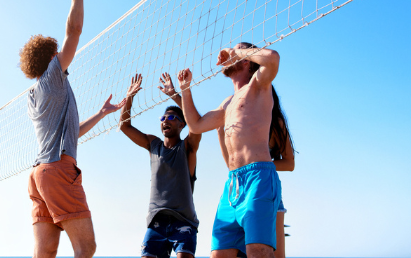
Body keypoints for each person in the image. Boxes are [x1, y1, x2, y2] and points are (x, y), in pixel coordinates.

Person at [20, 0, 125, 258]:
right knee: (85, 248)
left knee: (46, 253)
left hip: (38, 175)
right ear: (52, 56)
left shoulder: (34, 94)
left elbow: (71, 134)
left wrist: (102, 114)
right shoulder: (53, 76)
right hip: (57, 171)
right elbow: (74, 31)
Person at [177, 42, 282, 258]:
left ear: (245, 61)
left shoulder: (259, 85)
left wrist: (236, 52)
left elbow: (272, 58)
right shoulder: (228, 103)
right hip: (233, 184)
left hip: (258, 177)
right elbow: (196, 125)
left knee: (258, 252)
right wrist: (185, 89)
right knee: (218, 254)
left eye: (236, 51)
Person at [119, 73, 201, 258]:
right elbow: (124, 126)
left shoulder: (188, 147)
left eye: (171, 118)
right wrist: (129, 97)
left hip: (184, 221)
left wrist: (174, 94)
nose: (165, 121)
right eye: (163, 118)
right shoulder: (153, 144)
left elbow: (196, 123)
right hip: (157, 221)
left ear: (182, 125)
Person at [268, 90, 295, 258]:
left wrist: (261, 165)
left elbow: (289, 163)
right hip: (239, 187)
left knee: (276, 254)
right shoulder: (239, 116)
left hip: (267, 187)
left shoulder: (275, 122)